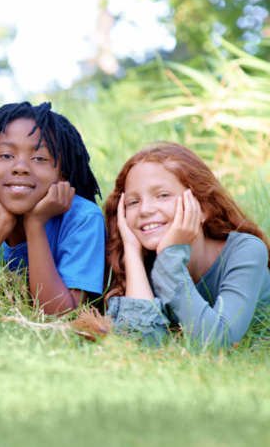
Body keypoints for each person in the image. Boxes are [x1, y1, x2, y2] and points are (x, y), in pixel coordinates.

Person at [0, 102, 105, 315]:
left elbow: (59, 315)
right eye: (6, 155)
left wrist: (35, 224)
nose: (21, 167)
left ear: (62, 175)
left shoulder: (82, 219)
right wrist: (0, 224)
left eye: (40, 158)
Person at [104, 141, 270, 347]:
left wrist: (169, 259)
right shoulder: (140, 260)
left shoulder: (246, 251)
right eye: (133, 202)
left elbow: (218, 342)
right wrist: (131, 252)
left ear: (203, 207)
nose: (145, 210)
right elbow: (140, 344)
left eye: (162, 195)